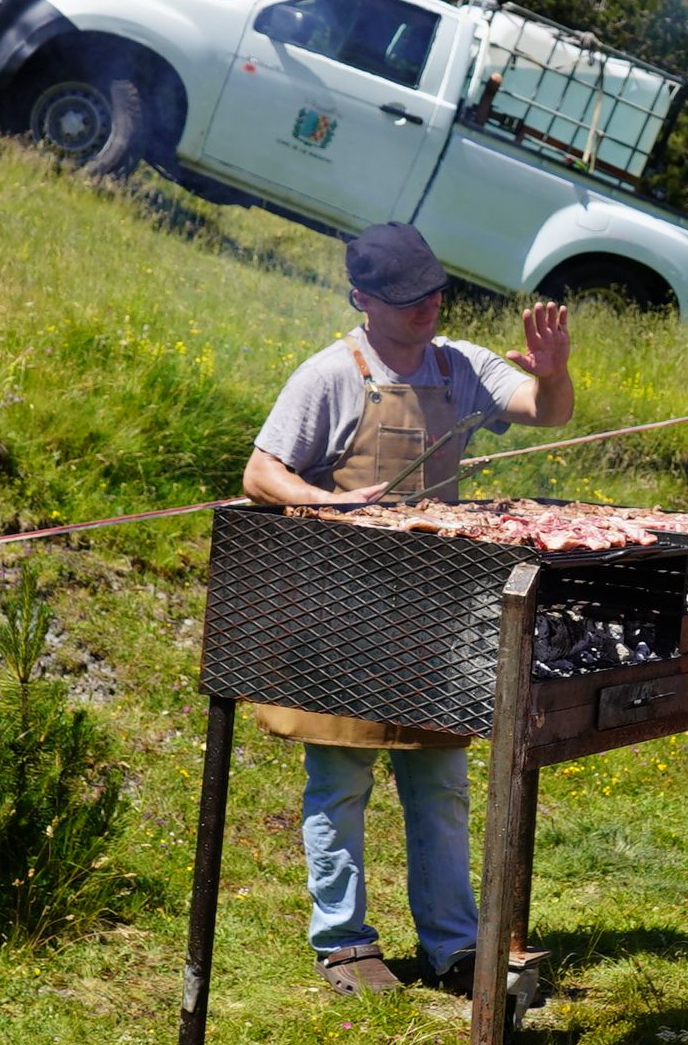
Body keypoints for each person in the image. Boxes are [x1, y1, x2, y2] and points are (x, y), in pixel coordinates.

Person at [241, 224, 573, 995]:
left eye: (433, 293)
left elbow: (545, 411)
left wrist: (554, 373)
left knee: (441, 784)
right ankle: (344, 944)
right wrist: (328, 502)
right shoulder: (329, 375)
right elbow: (261, 473)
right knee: (341, 782)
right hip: (342, 611)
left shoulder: (460, 366)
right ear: (362, 299)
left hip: (433, 614)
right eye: (406, 299)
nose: (426, 308)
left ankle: (454, 946)